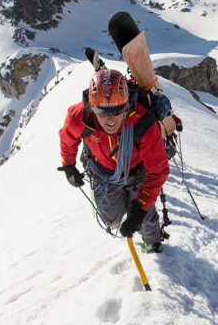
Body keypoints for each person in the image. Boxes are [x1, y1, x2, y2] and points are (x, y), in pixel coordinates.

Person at [58, 68, 170, 252]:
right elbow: (67, 139)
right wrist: (68, 165)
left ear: (126, 105)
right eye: (102, 112)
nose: (110, 119)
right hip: (103, 173)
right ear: (92, 107)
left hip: (138, 172)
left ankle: (153, 243)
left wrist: (140, 208)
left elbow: (158, 170)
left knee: (145, 218)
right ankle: (117, 219)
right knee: (112, 218)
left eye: (118, 110)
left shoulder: (143, 121)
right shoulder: (78, 116)